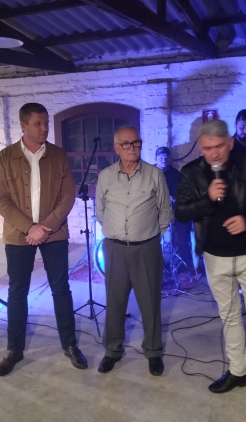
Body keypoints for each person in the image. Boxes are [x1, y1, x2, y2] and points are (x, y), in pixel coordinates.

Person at [175, 119, 246, 408]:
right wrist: (208, 199)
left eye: (219, 146)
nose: (213, 153)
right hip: (214, 256)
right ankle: (238, 372)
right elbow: (182, 213)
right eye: (207, 148)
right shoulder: (190, 172)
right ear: (201, 148)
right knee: (229, 317)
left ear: (230, 142)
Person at [0, 102, 87, 376]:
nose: (45, 128)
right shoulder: (5, 157)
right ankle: (14, 349)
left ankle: (69, 344)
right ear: (23, 126)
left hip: (54, 233)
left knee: (61, 289)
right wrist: (29, 227)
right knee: (17, 292)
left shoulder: (58, 155)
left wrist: (44, 227)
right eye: (38, 123)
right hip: (18, 235)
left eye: (46, 123)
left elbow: (67, 196)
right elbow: (1, 199)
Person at [95, 127, 172, 376]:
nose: (132, 148)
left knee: (150, 302)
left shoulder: (154, 174)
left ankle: (153, 351)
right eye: (126, 144)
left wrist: (150, 235)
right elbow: (100, 211)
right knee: (115, 301)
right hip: (115, 249)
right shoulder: (105, 176)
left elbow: (165, 211)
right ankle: (112, 351)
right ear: (116, 148)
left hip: (146, 248)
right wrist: (117, 232)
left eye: (136, 142)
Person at [155, 146, 195, 275]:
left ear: (170, 159)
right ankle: (152, 262)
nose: (164, 160)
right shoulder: (149, 172)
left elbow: (180, 195)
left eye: (166, 158)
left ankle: (181, 262)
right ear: (156, 159)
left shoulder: (176, 174)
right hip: (152, 211)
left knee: (181, 228)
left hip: (172, 209)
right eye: (161, 158)